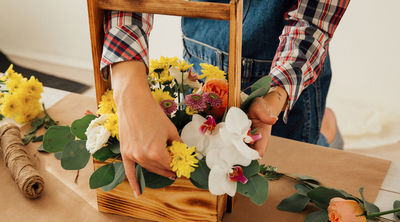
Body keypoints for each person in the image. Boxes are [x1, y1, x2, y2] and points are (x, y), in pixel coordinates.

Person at [100, 0, 350, 197]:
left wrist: (275, 96)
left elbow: (312, 22)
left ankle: (327, 134)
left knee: (283, 186)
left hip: (284, 85)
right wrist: (128, 91)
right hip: (200, 64)